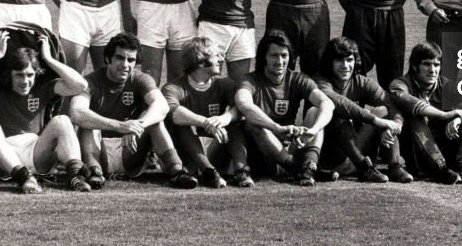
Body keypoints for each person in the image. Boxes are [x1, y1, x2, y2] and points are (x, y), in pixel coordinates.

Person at [0, 31, 92, 194]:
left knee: (62, 120)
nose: (25, 81)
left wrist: (49, 59)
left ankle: (75, 176)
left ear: (36, 73)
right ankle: (22, 177)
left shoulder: (42, 86)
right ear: (9, 74)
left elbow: (80, 86)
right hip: (0, 157)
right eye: (19, 75)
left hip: (35, 153)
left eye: (30, 75)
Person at [68, 32, 198, 189]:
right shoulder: (90, 81)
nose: (125, 65)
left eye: (131, 60)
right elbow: (76, 112)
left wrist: (137, 125)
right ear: (108, 59)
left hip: (130, 151)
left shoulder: (141, 79)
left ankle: (177, 171)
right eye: (120, 58)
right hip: (98, 148)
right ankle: (95, 172)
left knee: (154, 119)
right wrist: (120, 126)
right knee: (88, 122)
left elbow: (162, 105)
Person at [234, 30, 337, 186]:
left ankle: (308, 166)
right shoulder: (250, 80)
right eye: (274, 56)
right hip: (263, 152)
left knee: (315, 111)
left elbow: (328, 103)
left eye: (284, 55)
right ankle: (297, 169)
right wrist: (276, 128)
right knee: (252, 121)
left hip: (289, 144)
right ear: (263, 58)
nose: (280, 61)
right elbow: (243, 104)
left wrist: (313, 130)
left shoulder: (298, 79)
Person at [314, 36, 410, 183]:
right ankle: (363, 168)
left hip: (357, 147)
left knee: (384, 110)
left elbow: (391, 104)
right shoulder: (321, 82)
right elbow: (341, 103)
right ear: (329, 62)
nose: (345, 65)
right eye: (339, 60)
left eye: (349, 60)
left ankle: (395, 166)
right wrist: (376, 120)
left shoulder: (361, 81)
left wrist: (395, 126)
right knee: (336, 112)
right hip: (332, 156)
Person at [163, 36, 251, 188]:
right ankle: (209, 172)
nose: (220, 59)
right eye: (216, 55)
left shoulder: (225, 84)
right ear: (201, 60)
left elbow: (241, 108)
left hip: (215, 147)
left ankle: (241, 171)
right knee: (183, 123)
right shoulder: (173, 87)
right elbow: (175, 114)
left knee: (234, 122)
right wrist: (205, 122)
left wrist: (225, 118)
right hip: (187, 153)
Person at [389, 42, 462, 184]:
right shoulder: (400, 84)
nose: (433, 70)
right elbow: (411, 102)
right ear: (414, 66)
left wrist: (459, 118)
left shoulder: (445, 84)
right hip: (416, 151)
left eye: (436, 65)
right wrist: (444, 115)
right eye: (427, 64)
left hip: (443, 145)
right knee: (415, 116)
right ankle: (438, 167)